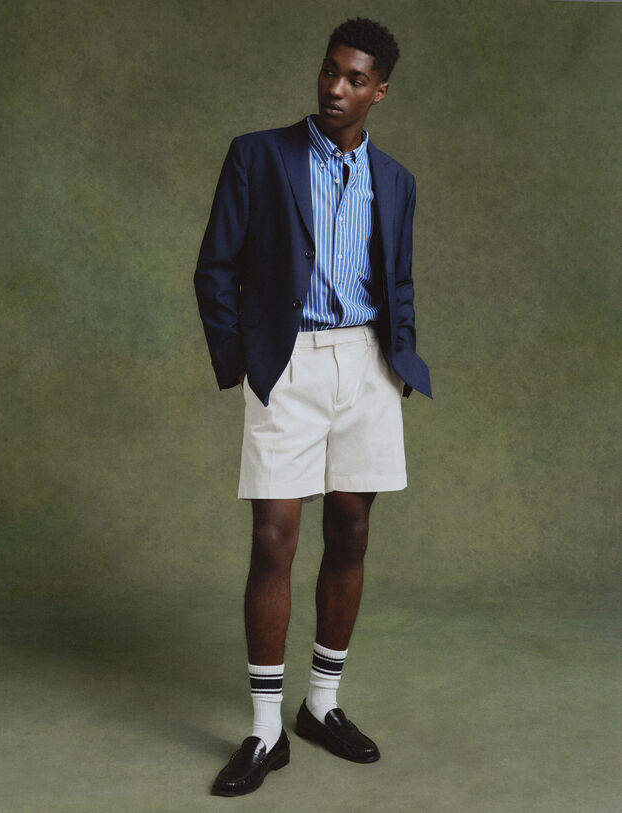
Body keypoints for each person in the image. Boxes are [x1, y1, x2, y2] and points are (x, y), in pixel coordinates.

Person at [194, 17, 431, 797]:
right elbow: (215, 266)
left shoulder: (396, 180)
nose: (335, 87)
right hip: (285, 362)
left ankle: (321, 705)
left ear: (379, 91)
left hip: (367, 365)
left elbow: (397, 281)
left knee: (352, 529)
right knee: (275, 536)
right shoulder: (259, 155)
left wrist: (399, 359)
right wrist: (241, 361)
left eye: (355, 78)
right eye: (330, 70)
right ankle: (265, 728)